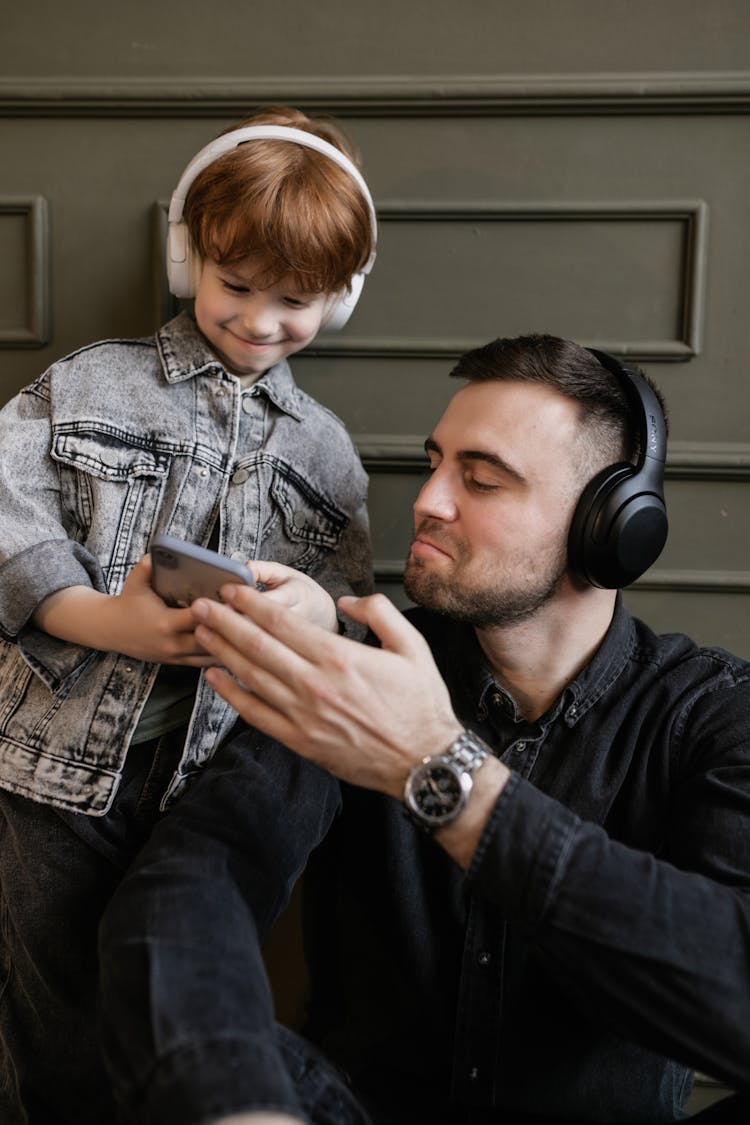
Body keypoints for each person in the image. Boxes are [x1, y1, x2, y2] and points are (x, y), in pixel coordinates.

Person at [98, 335, 750, 1125]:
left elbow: (734, 987)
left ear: (612, 529)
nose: (428, 499)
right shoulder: (353, 668)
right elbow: (190, 886)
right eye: (436, 462)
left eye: (479, 479)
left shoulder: (714, 710)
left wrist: (434, 763)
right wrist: (236, 1100)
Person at [0, 104, 378, 1125]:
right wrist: (94, 617)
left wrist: (317, 610)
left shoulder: (327, 452)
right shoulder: (87, 386)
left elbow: (346, 605)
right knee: (55, 1025)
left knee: (169, 1010)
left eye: (295, 302)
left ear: (339, 303)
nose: (260, 321)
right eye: (236, 286)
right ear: (188, 260)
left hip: (210, 792)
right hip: (51, 775)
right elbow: (3, 513)